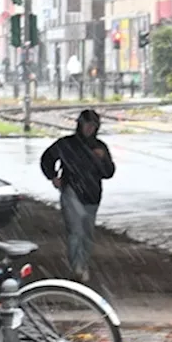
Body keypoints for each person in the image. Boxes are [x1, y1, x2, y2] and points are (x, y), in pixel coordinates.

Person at [40, 109, 115, 282]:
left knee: (87, 232)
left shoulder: (100, 147)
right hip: (70, 190)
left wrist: (103, 159)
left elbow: (108, 173)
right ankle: (77, 267)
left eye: (92, 126)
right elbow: (47, 158)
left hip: (92, 194)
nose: (89, 129)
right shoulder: (66, 144)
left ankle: (83, 264)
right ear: (80, 125)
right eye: (86, 125)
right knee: (76, 230)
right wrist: (53, 176)